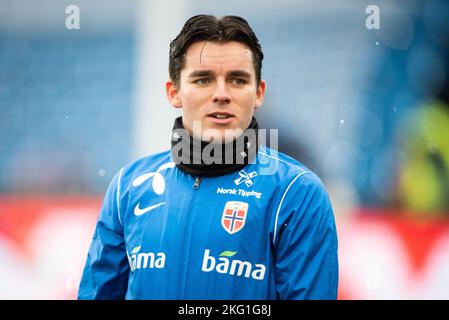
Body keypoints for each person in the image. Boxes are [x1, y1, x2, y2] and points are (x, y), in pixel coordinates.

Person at [78, 14, 338, 300]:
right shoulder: (127, 187)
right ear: (174, 93)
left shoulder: (297, 193)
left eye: (238, 80)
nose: (222, 94)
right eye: (203, 80)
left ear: (259, 93)